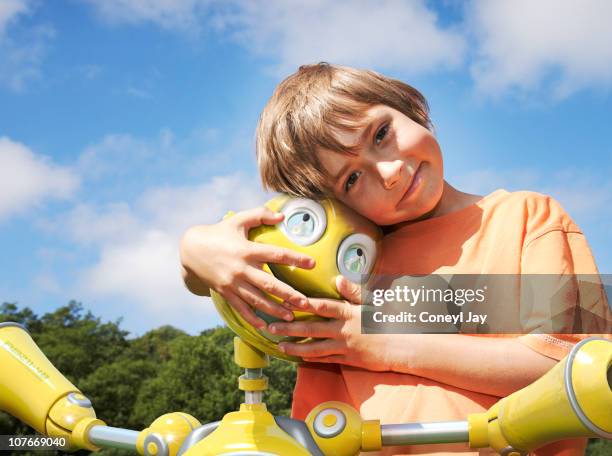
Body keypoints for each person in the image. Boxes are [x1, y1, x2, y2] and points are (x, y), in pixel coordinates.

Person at [180, 63, 610, 455]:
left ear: (410, 108)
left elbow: (572, 371)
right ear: (330, 206)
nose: (389, 173)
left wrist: (377, 341)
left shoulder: (527, 217)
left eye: (380, 134)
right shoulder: (338, 273)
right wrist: (194, 248)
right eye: (351, 179)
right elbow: (216, 277)